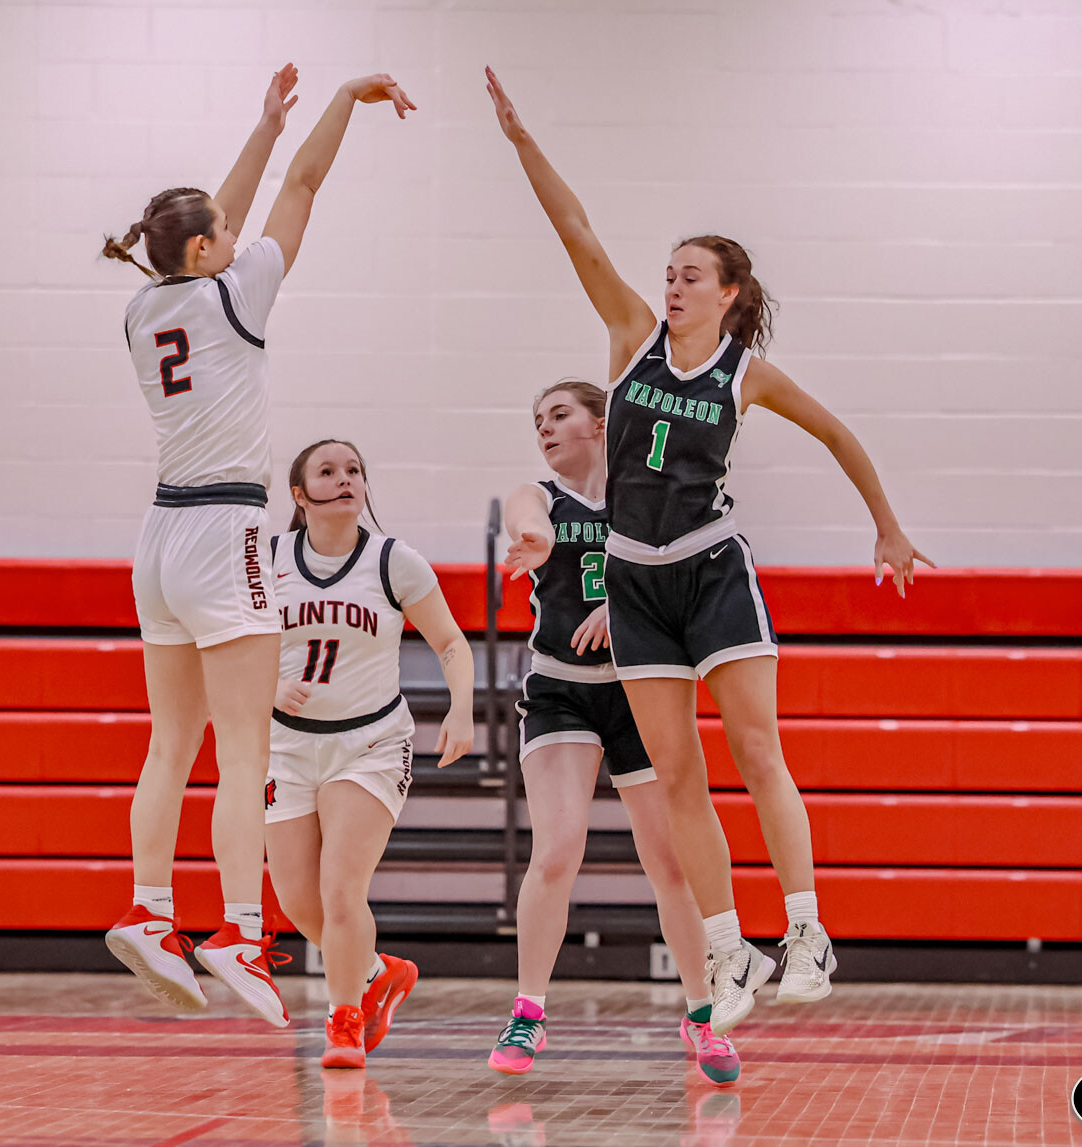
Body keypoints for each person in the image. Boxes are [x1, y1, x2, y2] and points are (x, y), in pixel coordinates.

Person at [486, 67, 933, 1033]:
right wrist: (524, 144)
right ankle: (730, 949)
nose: (673, 284)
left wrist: (887, 525)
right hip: (635, 581)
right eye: (670, 272)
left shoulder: (746, 373)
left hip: (712, 568)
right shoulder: (631, 338)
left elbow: (839, 433)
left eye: (692, 274)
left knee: (758, 749)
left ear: (728, 293)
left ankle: (805, 931)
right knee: (678, 773)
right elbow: (577, 232)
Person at [99, 68, 416, 1023]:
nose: (238, 237)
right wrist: (334, 107)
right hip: (224, 530)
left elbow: (215, 219)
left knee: (170, 745)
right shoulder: (237, 296)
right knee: (245, 751)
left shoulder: (143, 308)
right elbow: (302, 188)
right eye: (222, 235)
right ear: (205, 249)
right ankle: (240, 930)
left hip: (157, 535)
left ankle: (150, 910)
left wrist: (263, 125)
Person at [490, 380, 740, 1087]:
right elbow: (524, 514)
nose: (544, 428)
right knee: (558, 848)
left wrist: (625, 606)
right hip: (561, 690)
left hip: (640, 689)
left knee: (671, 862)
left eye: (559, 415)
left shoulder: (644, 502)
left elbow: (680, 583)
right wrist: (533, 538)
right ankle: (528, 1012)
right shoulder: (541, 496)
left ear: (602, 423)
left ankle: (702, 1013)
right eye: (537, 420)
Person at [266, 439, 475, 1068]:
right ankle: (380, 973)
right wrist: (267, 685)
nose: (345, 479)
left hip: (370, 743)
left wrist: (460, 708)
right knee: (298, 902)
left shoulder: (393, 561)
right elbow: (227, 648)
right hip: (285, 745)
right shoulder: (268, 559)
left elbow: (451, 643)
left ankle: (343, 1022)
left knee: (340, 890)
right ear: (300, 495)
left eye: (353, 470)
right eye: (328, 471)